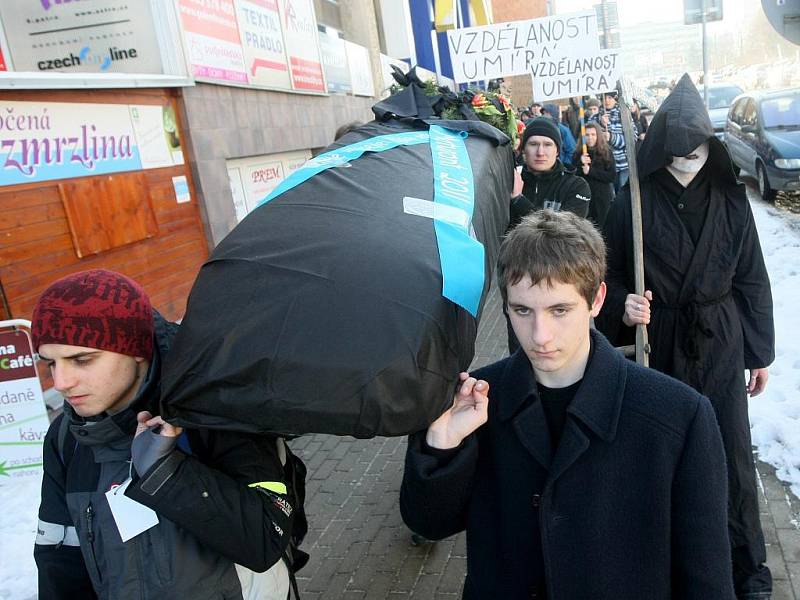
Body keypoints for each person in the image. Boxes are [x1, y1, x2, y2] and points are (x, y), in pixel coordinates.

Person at [400, 210, 734, 600]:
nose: (540, 336)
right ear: (505, 305)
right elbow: (429, 522)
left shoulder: (678, 416)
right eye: (523, 311)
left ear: (597, 300)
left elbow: (706, 577)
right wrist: (442, 445)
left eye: (560, 310)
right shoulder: (476, 402)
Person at [598, 73, 775, 600]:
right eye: (674, 152)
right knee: (665, 456)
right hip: (661, 341)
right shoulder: (632, 199)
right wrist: (624, 305)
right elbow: (603, 275)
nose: (685, 160)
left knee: (732, 458)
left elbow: (751, 275)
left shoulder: (729, 196)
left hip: (720, 340)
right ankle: (669, 568)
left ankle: (748, 572)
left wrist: (758, 351)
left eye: (694, 150)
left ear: (709, 146)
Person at [32, 269, 304, 600]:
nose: (60, 382)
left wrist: (169, 475)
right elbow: (60, 563)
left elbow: (266, 538)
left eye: (82, 360)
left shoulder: (213, 408)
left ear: (136, 349)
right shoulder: (67, 439)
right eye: (51, 364)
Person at [573, 121, 616, 228]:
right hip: (584, 197)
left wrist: (590, 171)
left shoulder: (606, 152)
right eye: (587, 135)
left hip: (602, 197)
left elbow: (611, 176)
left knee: (602, 227)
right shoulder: (578, 153)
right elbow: (574, 176)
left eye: (593, 134)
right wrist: (579, 164)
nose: (590, 138)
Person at [600, 91, 638, 193]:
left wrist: (612, 138)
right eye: (604, 98)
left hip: (623, 165)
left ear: (615, 98)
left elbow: (632, 138)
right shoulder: (596, 116)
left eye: (610, 98)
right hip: (604, 165)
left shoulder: (624, 114)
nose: (607, 101)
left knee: (623, 194)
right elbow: (590, 138)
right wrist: (601, 125)